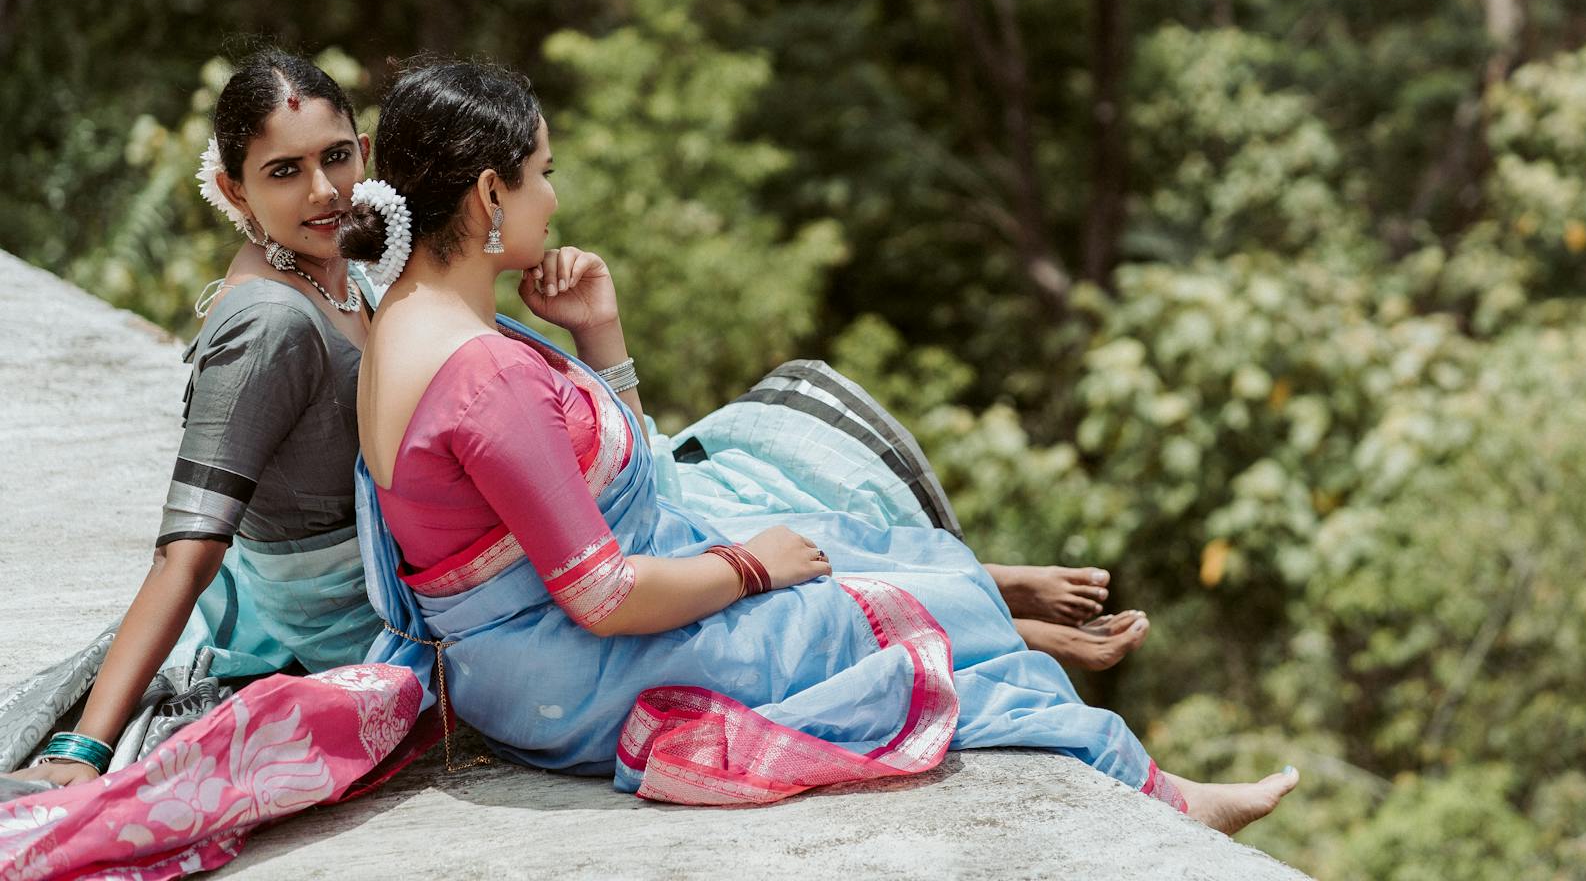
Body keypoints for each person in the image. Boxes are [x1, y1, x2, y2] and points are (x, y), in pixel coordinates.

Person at [342, 59, 1298, 833]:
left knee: (846, 545)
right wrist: (747, 569)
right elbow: (602, 593)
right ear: (487, 192)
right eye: (542, 172)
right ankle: (1159, 795)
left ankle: (1004, 622)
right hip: (570, 674)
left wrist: (598, 334)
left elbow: (607, 489)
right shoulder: (484, 371)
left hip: (521, 659)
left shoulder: (404, 323)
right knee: (871, 624)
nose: (554, 197)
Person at [5, 49, 385, 787]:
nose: (323, 190)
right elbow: (188, 549)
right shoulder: (266, 324)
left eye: (337, 157)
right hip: (344, 624)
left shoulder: (360, 267)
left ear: (363, 153)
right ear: (233, 191)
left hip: (399, 582)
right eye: (283, 172)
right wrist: (87, 746)